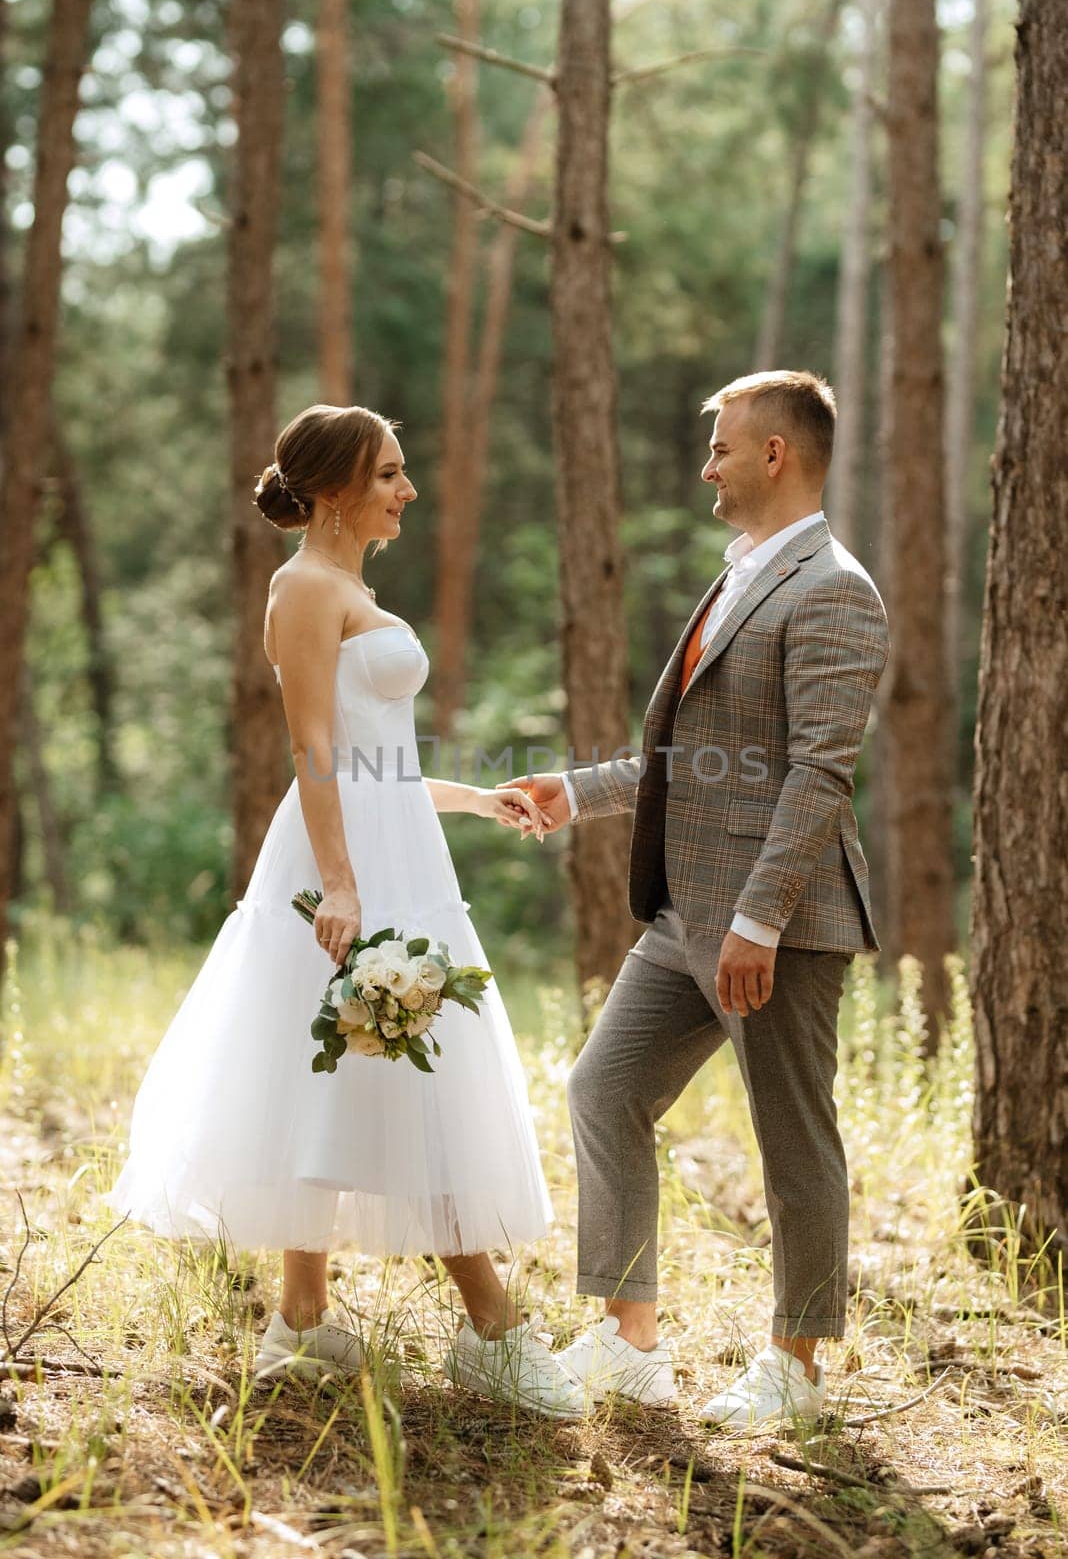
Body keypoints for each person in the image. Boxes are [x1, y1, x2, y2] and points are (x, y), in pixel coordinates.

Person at [105, 403, 584, 1419]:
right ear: (332, 491)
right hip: (343, 860)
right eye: (389, 476)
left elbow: (380, 759)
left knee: (376, 1057)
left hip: (394, 840)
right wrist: (341, 882)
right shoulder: (301, 589)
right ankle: (493, 1327)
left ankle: (303, 1314)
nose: (407, 491)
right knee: (387, 1050)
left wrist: (472, 798)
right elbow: (315, 750)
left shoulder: (352, 586)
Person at [504, 371, 891, 1428]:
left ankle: (796, 1371)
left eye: (721, 446)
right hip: (685, 918)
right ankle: (629, 1344)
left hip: (781, 925)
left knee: (793, 1141)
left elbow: (819, 774)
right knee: (603, 1087)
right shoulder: (740, 577)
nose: (707, 465)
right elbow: (687, 760)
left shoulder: (834, 588)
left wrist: (759, 920)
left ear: (776, 455)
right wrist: (572, 792)